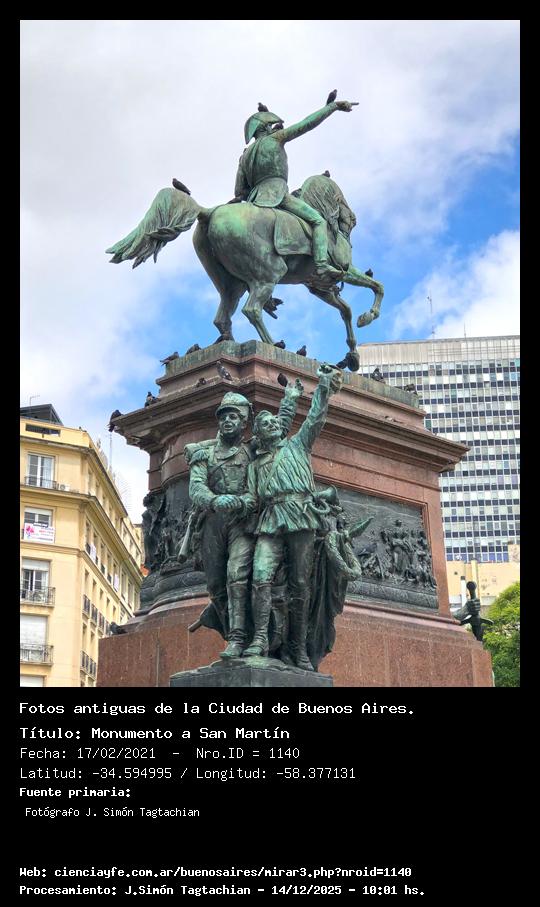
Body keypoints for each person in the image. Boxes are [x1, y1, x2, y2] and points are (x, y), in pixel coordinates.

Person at [184, 384, 301, 658]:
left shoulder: (252, 449)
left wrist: (289, 400)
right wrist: (215, 500)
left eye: (234, 416)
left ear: (244, 422)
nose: (227, 420)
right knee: (216, 585)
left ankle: (238, 639)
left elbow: (280, 429)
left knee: (236, 575)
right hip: (213, 524)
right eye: (223, 416)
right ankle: (232, 630)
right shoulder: (203, 453)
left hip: (243, 523)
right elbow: (196, 488)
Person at [239, 364, 343, 670]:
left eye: (274, 421)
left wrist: (323, 387)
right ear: (259, 435)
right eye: (264, 424)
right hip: (271, 518)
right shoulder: (255, 466)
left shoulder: (298, 444)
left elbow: (315, 417)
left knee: (300, 584)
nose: (271, 424)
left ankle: (298, 648)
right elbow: (253, 499)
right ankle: (260, 638)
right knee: (260, 576)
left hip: (302, 515)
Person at [232, 99, 357, 282]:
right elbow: (307, 124)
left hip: (255, 199)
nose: (272, 127)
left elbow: (239, 191)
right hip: (278, 194)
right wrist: (333, 107)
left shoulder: (244, 156)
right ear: (264, 127)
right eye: (270, 125)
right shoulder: (276, 138)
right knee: (318, 221)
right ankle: (322, 265)